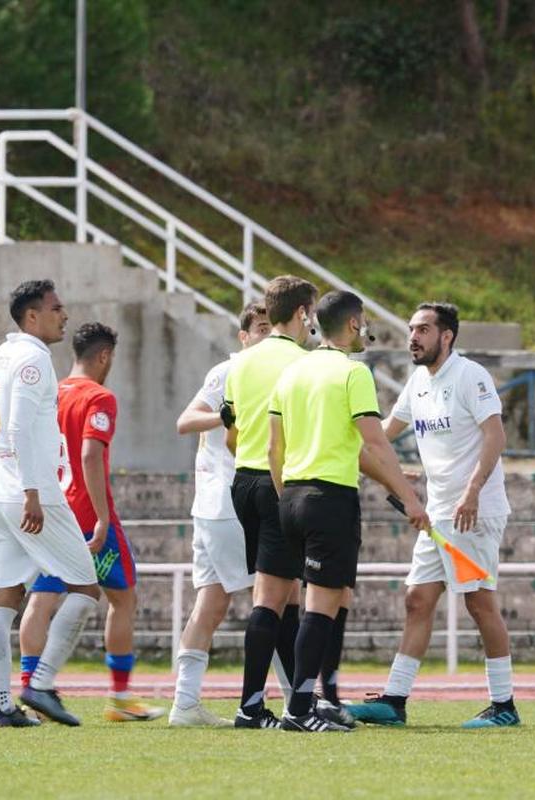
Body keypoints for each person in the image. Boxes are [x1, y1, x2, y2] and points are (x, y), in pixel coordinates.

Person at [347, 302, 520, 729]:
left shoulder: (470, 375)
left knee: (479, 604)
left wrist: (473, 492)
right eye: (411, 329)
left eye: (423, 329)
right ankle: (394, 702)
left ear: (447, 336)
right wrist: (384, 470)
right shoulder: (417, 383)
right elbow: (381, 436)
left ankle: (505, 707)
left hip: (471, 513)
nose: (413, 337)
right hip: (438, 512)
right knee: (417, 600)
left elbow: (495, 436)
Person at [268, 290, 428, 732]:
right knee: (320, 607)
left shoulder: (293, 372)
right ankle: (299, 709)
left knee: (335, 599)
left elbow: (273, 448)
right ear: (355, 324)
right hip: (329, 499)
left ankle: (320, 698)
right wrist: (410, 499)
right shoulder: (352, 373)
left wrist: (287, 497)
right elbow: (375, 442)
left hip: (294, 497)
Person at [18, 322, 163, 723]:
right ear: (104, 356)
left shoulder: (53, 392)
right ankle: (119, 698)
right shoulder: (99, 397)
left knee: (42, 598)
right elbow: (89, 455)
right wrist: (101, 517)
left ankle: (32, 686)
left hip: (48, 508)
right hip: (83, 513)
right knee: (123, 597)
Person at [0, 279, 100, 728]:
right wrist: (32, 491)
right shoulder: (33, 358)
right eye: (56, 308)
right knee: (86, 587)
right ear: (33, 315)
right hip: (31, 494)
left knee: (6, 595)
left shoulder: (2, 353)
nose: (64, 315)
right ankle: (41, 683)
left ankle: (1, 704)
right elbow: (17, 428)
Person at [168, 301, 272, 727]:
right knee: (275, 599)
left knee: (210, 603)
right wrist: (222, 415)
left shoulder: (272, 372)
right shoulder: (229, 371)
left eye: (272, 327)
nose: (267, 335)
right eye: (259, 328)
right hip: (229, 503)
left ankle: (184, 703)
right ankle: (301, 701)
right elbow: (185, 420)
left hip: (213, 504)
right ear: (243, 336)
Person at [226, 276, 318, 729]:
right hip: (280, 481)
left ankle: (302, 699)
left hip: (243, 479)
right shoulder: (304, 362)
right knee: (270, 598)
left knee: (284, 596)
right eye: (312, 314)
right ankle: (251, 705)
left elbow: (233, 428)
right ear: (302, 313)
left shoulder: (241, 361)